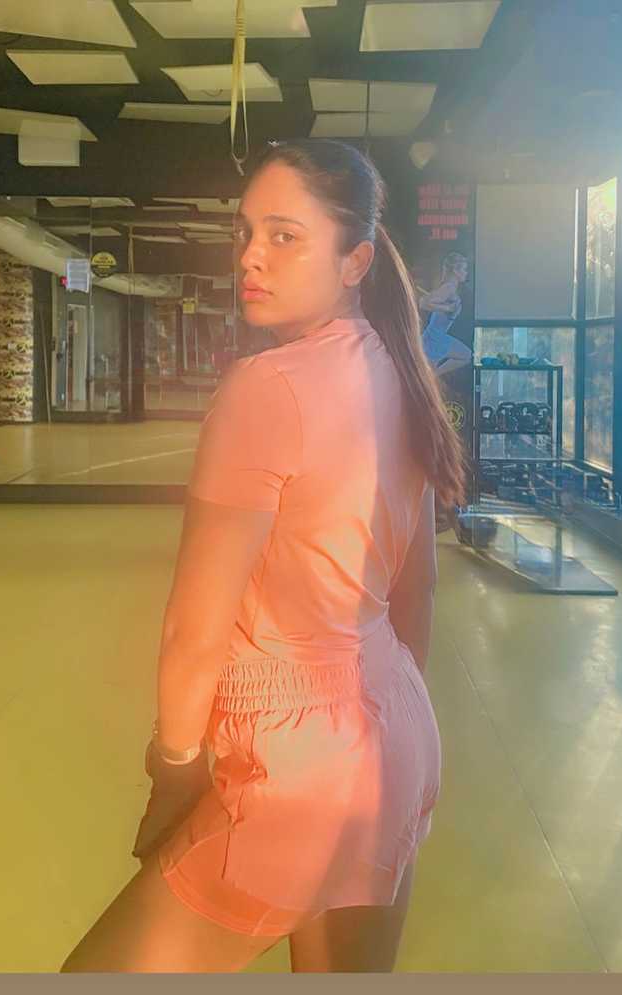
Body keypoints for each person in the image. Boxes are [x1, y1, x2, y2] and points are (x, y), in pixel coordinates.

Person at [60, 139, 465, 974]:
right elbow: (416, 593)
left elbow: (193, 630)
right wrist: (371, 730)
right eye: (246, 232)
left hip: (295, 766)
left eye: (285, 236)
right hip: (396, 732)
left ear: (355, 261)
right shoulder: (402, 373)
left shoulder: (265, 387)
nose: (250, 255)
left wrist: (175, 767)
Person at [419, 252, 472, 377]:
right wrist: (447, 308)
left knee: (427, 376)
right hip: (435, 337)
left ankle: (433, 375)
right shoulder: (448, 287)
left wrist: (446, 308)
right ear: (455, 271)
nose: (466, 273)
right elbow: (423, 303)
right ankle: (433, 375)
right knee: (466, 355)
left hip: (434, 337)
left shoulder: (451, 288)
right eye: (464, 269)